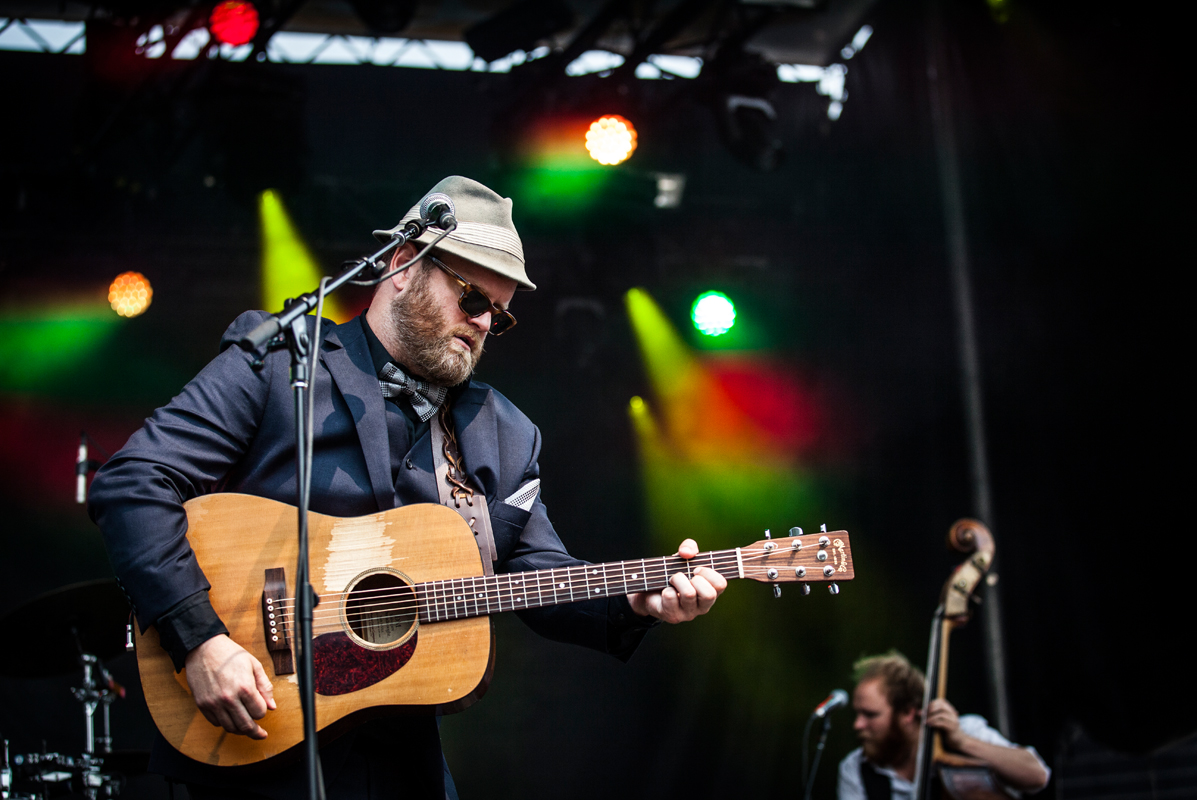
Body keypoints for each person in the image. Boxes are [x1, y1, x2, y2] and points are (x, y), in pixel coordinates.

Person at [88, 176, 727, 799]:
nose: (482, 324)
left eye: (498, 318)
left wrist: (635, 601)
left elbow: (539, 575)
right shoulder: (284, 364)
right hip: (256, 736)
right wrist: (199, 638)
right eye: (472, 299)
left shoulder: (502, 433)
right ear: (402, 263)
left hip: (402, 761)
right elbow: (133, 481)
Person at [837, 652, 1049, 800]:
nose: (858, 724)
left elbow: (1037, 776)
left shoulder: (965, 731)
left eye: (870, 715)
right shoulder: (855, 769)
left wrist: (963, 742)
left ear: (908, 713)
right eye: (857, 714)